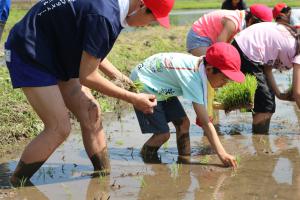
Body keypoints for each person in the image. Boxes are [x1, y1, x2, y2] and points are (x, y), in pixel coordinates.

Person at [5, 0, 175, 186]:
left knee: (91, 112)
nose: (149, 25)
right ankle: (17, 183)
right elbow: (88, 76)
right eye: (152, 19)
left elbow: (93, 47)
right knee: (59, 128)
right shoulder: (104, 16)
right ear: (142, 5)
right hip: (30, 51)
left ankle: (103, 177)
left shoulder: (114, 9)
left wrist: (119, 77)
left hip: (57, 48)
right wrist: (133, 98)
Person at [130, 42, 245, 169]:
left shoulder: (202, 67)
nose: (225, 84)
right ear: (209, 69)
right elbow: (205, 122)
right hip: (144, 83)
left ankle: (184, 162)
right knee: (163, 135)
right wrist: (222, 154)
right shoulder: (193, 79)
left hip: (161, 83)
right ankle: (145, 158)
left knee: (183, 124)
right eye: (224, 79)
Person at [231, 21, 300, 133]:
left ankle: (259, 136)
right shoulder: (297, 47)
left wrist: (279, 94)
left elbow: (267, 69)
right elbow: (298, 93)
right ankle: (260, 139)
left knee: (264, 99)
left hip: (244, 47)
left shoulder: (292, 41)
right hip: (247, 50)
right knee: (266, 104)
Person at [186, 4, 272, 57]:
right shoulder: (233, 23)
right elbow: (219, 47)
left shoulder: (243, 19)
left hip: (211, 37)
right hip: (199, 37)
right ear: (251, 20)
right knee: (212, 62)